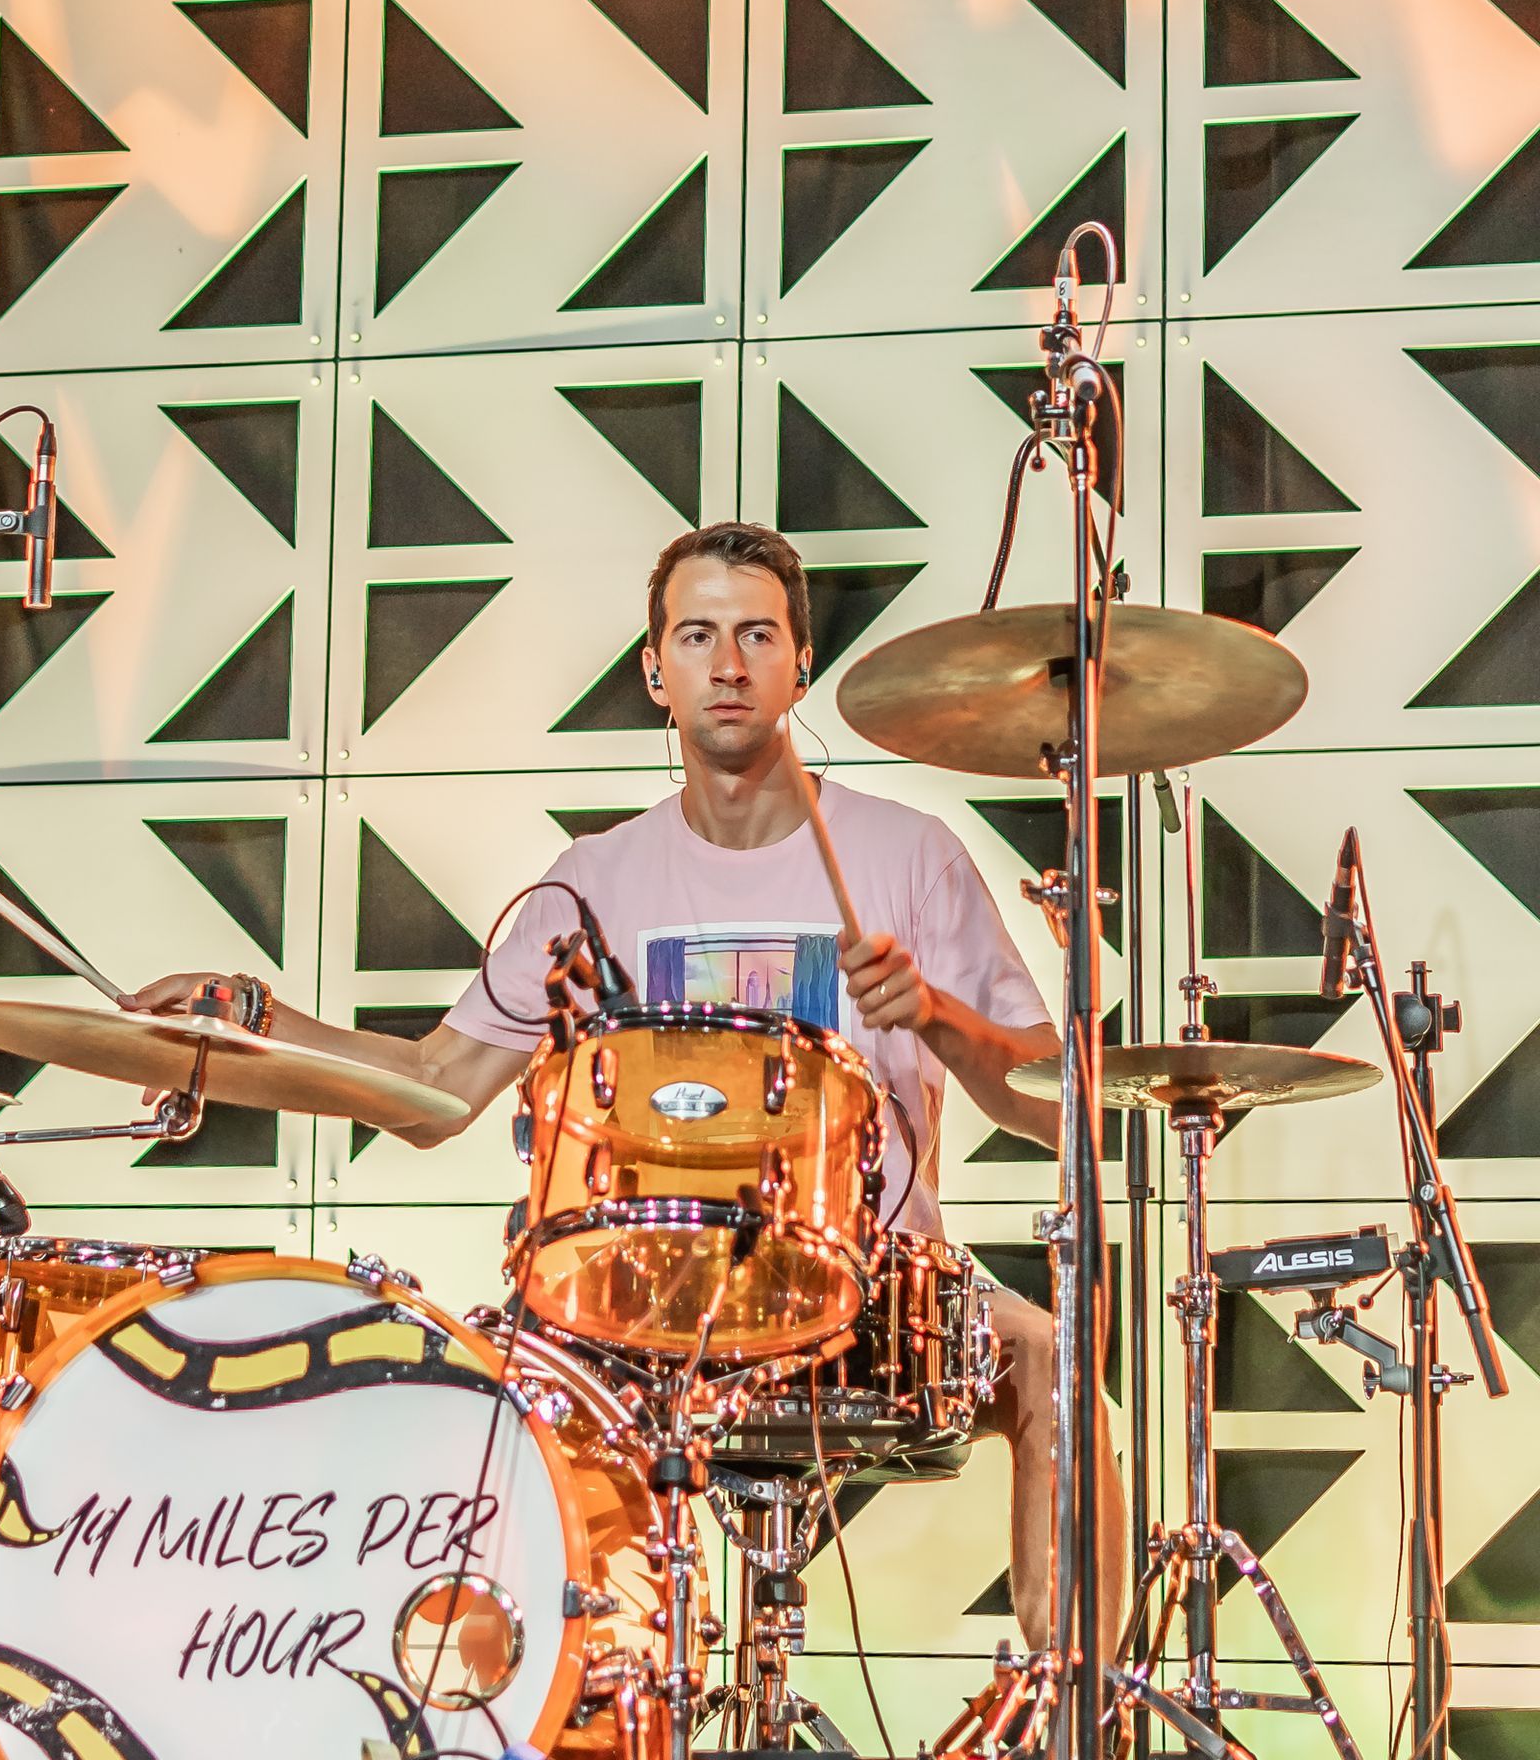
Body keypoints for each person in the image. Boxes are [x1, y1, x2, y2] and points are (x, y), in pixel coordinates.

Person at [127, 518, 1125, 1656]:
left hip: (874, 1298)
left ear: (800, 664)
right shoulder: (594, 879)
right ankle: (566, 1749)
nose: (729, 663)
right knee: (504, 1390)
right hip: (647, 1310)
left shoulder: (907, 857)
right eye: (697, 636)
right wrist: (256, 1024)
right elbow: (437, 1088)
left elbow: (1053, 1104)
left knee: (1050, 1358)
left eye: (757, 635)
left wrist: (936, 1015)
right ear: (657, 671)